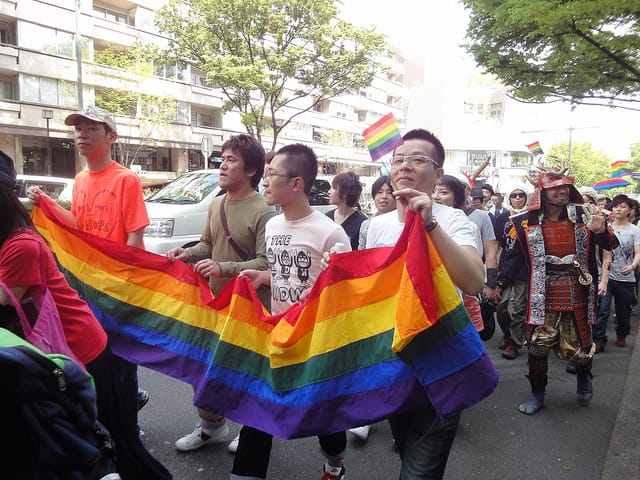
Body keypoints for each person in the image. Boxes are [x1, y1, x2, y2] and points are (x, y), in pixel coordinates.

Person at [0, 150, 171, 479]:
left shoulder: (125, 179)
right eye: (78, 128)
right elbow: (78, 226)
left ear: (110, 136)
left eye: (90, 127)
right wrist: (50, 208)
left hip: (83, 340)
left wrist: (122, 289)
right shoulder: (80, 180)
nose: (81, 134)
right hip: (65, 336)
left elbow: (133, 239)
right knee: (93, 435)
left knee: (110, 437)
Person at [363, 129, 484, 479]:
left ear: (437, 174)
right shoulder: (376, 226)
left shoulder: (452, 220)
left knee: (418, 472)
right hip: (393, 359)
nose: (405, 166)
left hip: (442, 359)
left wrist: (429, 222)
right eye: (399, 159)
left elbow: (474, 280)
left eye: (418, 160)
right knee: (405, 449)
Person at [235, 143, 351, 480]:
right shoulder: (273, 226)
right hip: (276, 336)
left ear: (296, 183)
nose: (265, 181)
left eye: (272, 174)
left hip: (315, 343)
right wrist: (262, 276)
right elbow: (288, 273)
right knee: (258, 412)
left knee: (321, 413)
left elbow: (344, 290)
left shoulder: (330, 232)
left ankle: (334, 461)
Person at [166, 134, 276, 452]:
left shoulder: (264, 211)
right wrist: (188, 254)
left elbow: (265, 262)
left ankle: (250, 427)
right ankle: (211, 426)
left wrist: (223, 267)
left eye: (231, 160)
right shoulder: (216, 203)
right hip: (214, 305)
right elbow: (207, 244)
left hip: (249, 308)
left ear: (252, 170)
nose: (223, 165)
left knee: (245, 371)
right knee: (203, 366)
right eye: (222, 158)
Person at [499, 167, 617, 415]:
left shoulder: (585, 214)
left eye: (565, 186)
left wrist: (601, 230)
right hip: (542, 289)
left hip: (578, 288)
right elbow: (512, 258)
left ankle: (584, 376)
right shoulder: (524, 222)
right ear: (542, 191)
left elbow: (610, 245)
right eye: (555, 187)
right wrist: (496, 283)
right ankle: (537, 393)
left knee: (582, 343)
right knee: (537, 347)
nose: (563, 190)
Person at [433, 175, 484, 334]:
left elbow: (474, 267)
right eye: (434, 191)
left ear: (457, 198)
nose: (436, 196)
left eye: (443, 192)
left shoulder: (467, 226)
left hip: (460, 295)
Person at [593, 194, 640, 351]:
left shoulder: (635, 231)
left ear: (630, 210)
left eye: (623, 206)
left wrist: (632, 266)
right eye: (616, 206)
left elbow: (637, 252)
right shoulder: (605, 228)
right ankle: (599, 339)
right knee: (603, 310)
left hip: (626, 278)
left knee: (623, 311)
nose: (618, 209)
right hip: (606, 277)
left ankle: (622, 334)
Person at [494, 185, 529, 359]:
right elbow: (498, 245)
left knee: (519, 308)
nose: (517, 198)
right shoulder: (502, 219)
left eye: (521, 195)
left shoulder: (533, 217)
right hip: (506, 267)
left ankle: (515, 342)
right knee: (500, 306)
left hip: (524, 269)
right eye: (513, 195)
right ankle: (507, 333)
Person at [467, 186, 500, 340]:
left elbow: (490, 250)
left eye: (445, 191)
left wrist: (491, 283)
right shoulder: (432, 215)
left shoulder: (482, 217)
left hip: (475, 275)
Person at [326, 172, 367, 251]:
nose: (328, 192)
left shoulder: (361, 223)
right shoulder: (326, 218)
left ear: (345, 193)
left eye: (333, 188)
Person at [358, 175, 396, 250]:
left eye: (389, 192)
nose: (384, 196)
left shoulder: (403, 222)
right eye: (380, 192)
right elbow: (361, 254)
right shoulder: (366, 225)